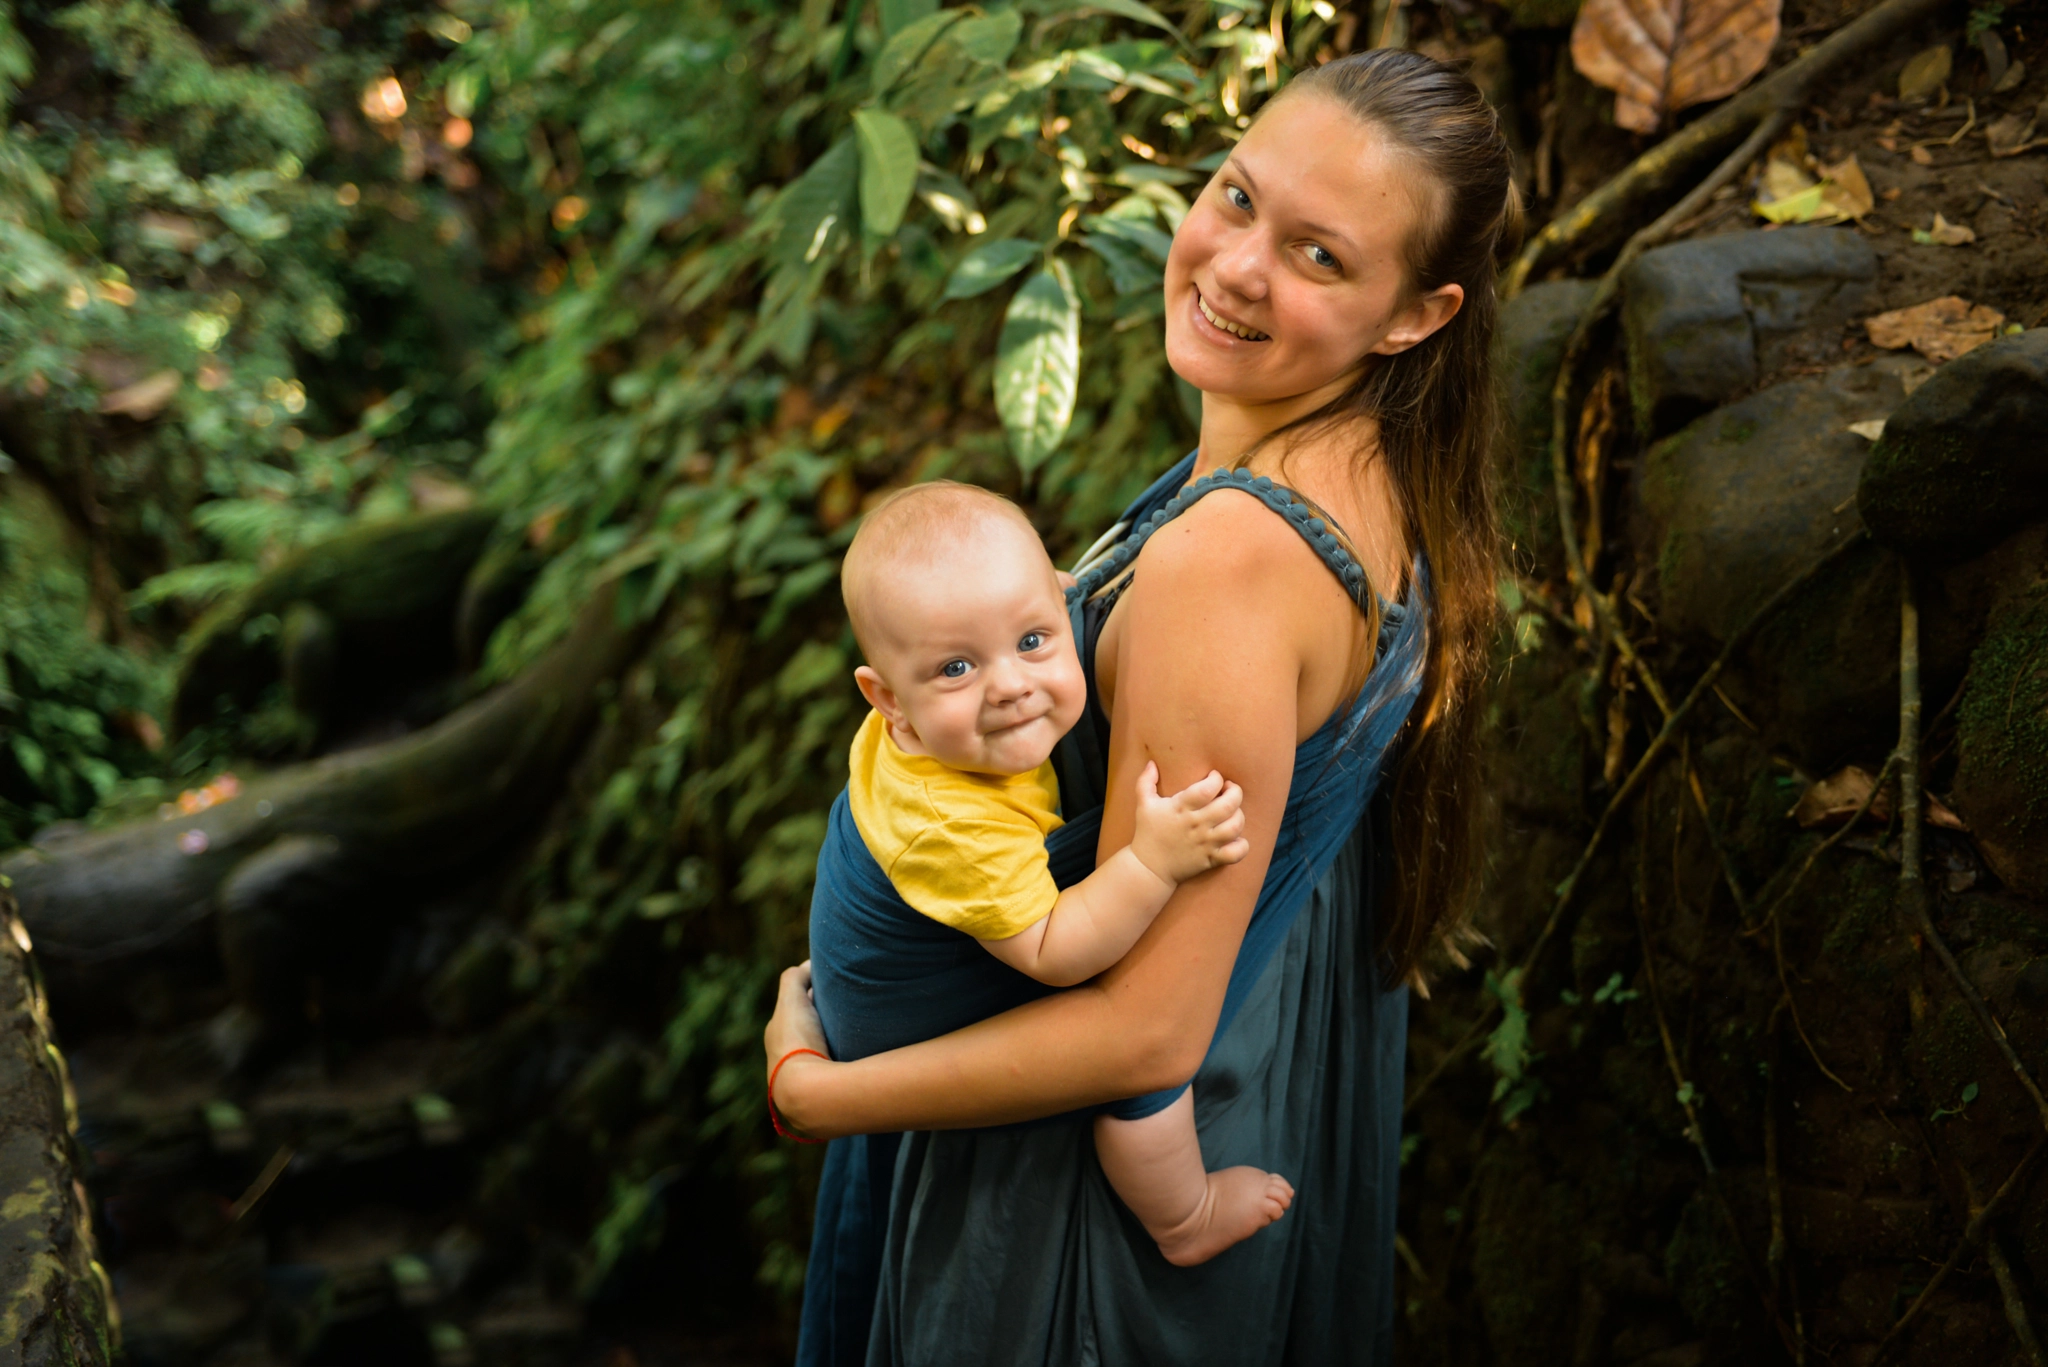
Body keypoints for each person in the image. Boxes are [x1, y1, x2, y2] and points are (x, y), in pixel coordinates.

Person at [767, 47, 1519, 1365]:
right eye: (1236, 198)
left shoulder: (1233, 560)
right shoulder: (1362, 458)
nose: (1233, 265)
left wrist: (823, 1091)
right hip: (1249, 1082)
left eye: (1319, 256)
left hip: (1075, 1209)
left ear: (1417, 313)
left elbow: (1145, 1025)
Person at [816, 479, 1296, 1268]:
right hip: (897, 1021)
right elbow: (1054, 948)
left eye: (1034, 639)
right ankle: (1185, 1217)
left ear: (1064, 597)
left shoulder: (960, 725)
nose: (1008, 685)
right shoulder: (954, 827)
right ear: (887, 700)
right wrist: (1151, 859)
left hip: (878, 961)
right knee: (1138, 1044)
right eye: (956, 668)